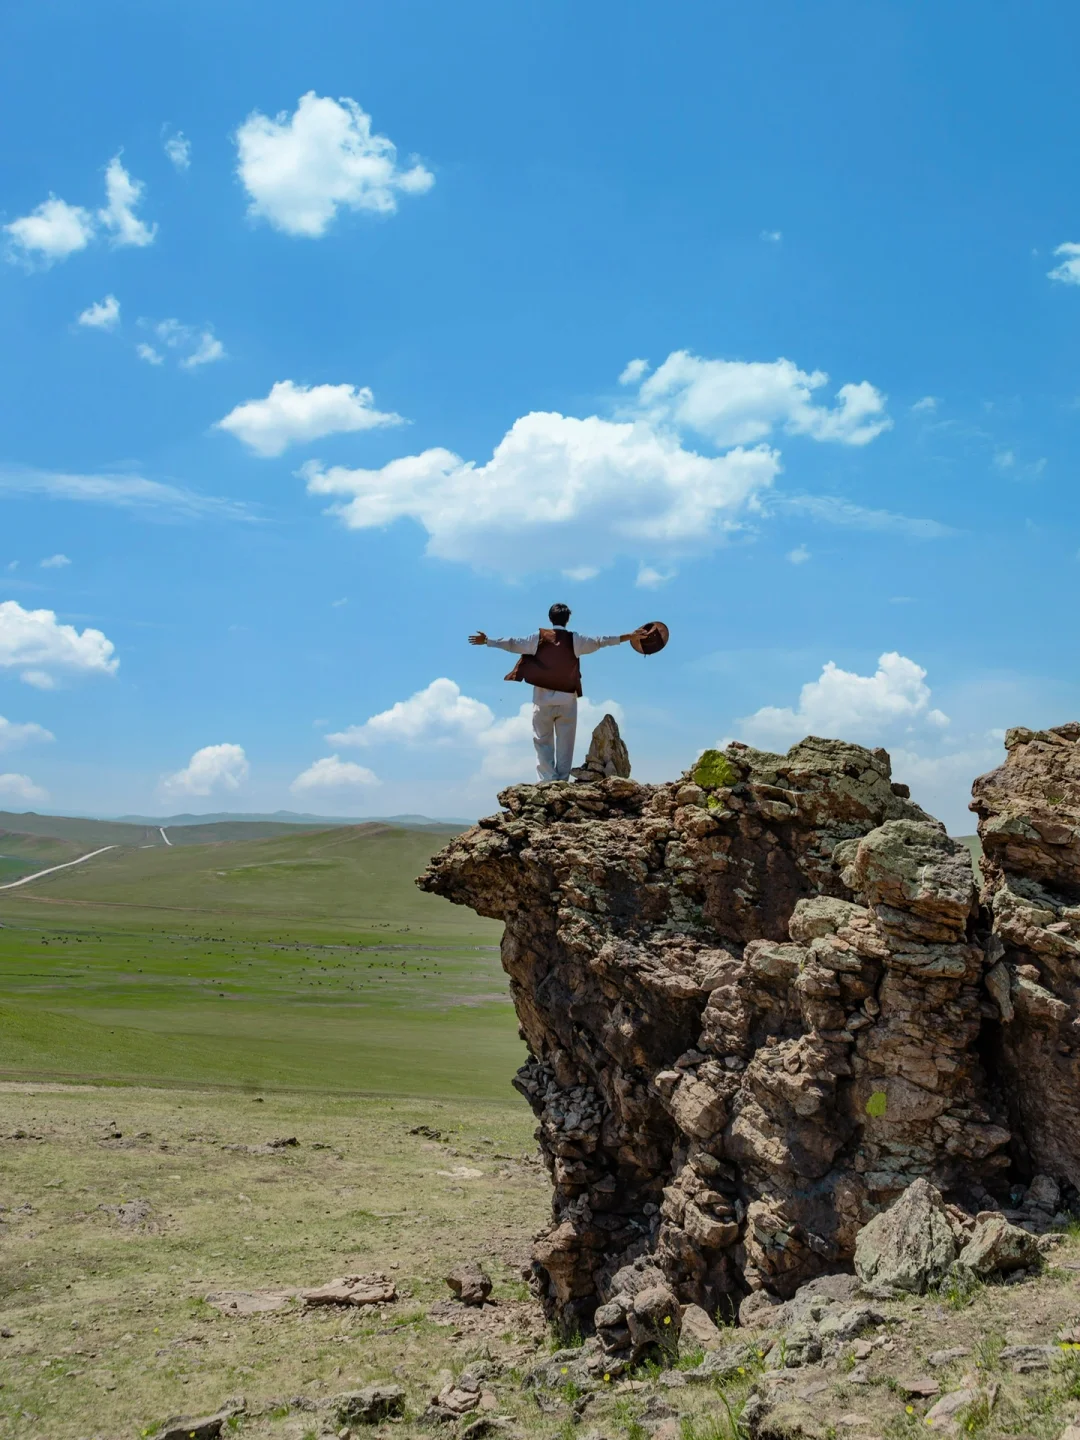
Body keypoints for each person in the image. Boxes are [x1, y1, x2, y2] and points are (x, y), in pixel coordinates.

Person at [469, 604, 643, 782]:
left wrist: (488, 641)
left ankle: (547, 780)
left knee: (542, 741)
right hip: (567, 699)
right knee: (565, 744)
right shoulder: (576, 640)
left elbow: (512, 643)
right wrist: (629, 636)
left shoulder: (538, 637)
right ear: (568, 620)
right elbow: (601, 641)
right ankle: (561, 781)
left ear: (550, 618)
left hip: (542, 700)